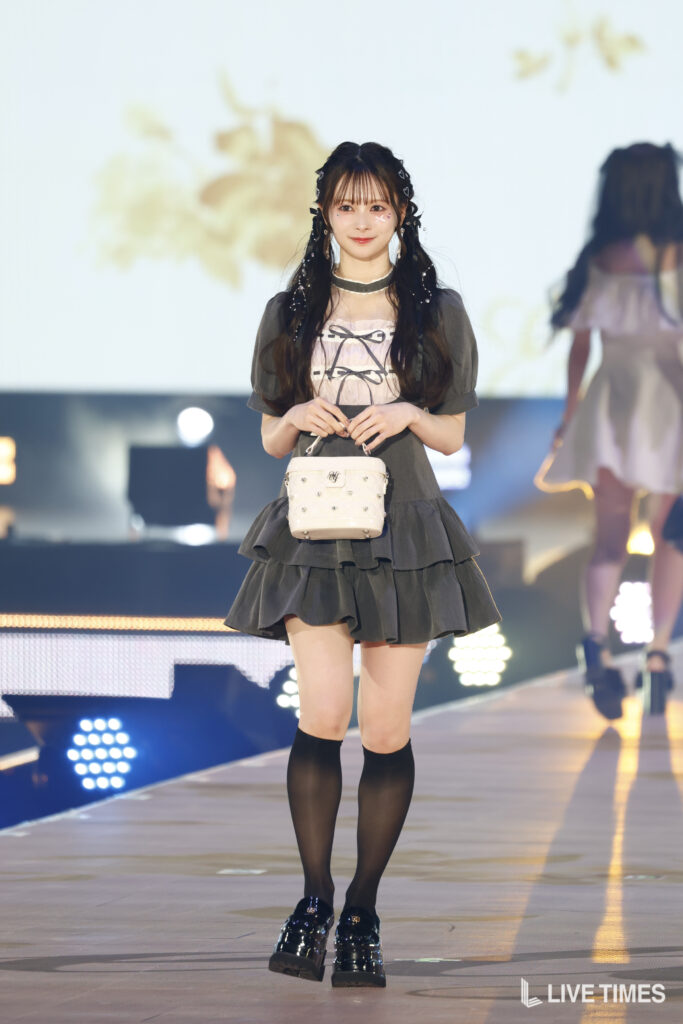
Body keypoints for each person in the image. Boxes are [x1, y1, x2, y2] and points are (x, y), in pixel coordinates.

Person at [224, 140, 500, 987]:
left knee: (384, 731)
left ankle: (362, 912)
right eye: (346, 206)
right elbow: (270, 436)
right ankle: (313, 900)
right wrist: (296, 415)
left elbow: (451, 433)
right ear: (324, 214)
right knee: (321, 715)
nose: (361, 221)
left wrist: (407, 412)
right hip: (312, 528)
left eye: (376, 206)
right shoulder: (290, 309)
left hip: (401, 528)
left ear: (400, 213)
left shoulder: (435, 309)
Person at [535, 142, 683, 719]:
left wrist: (570, 415)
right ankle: (657, 656)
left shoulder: (599, 257)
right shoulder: (675, 253)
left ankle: (595, 646)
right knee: (670, 536)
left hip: (612, 406)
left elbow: (580, 347)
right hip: (669, 405)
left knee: (609, 540)